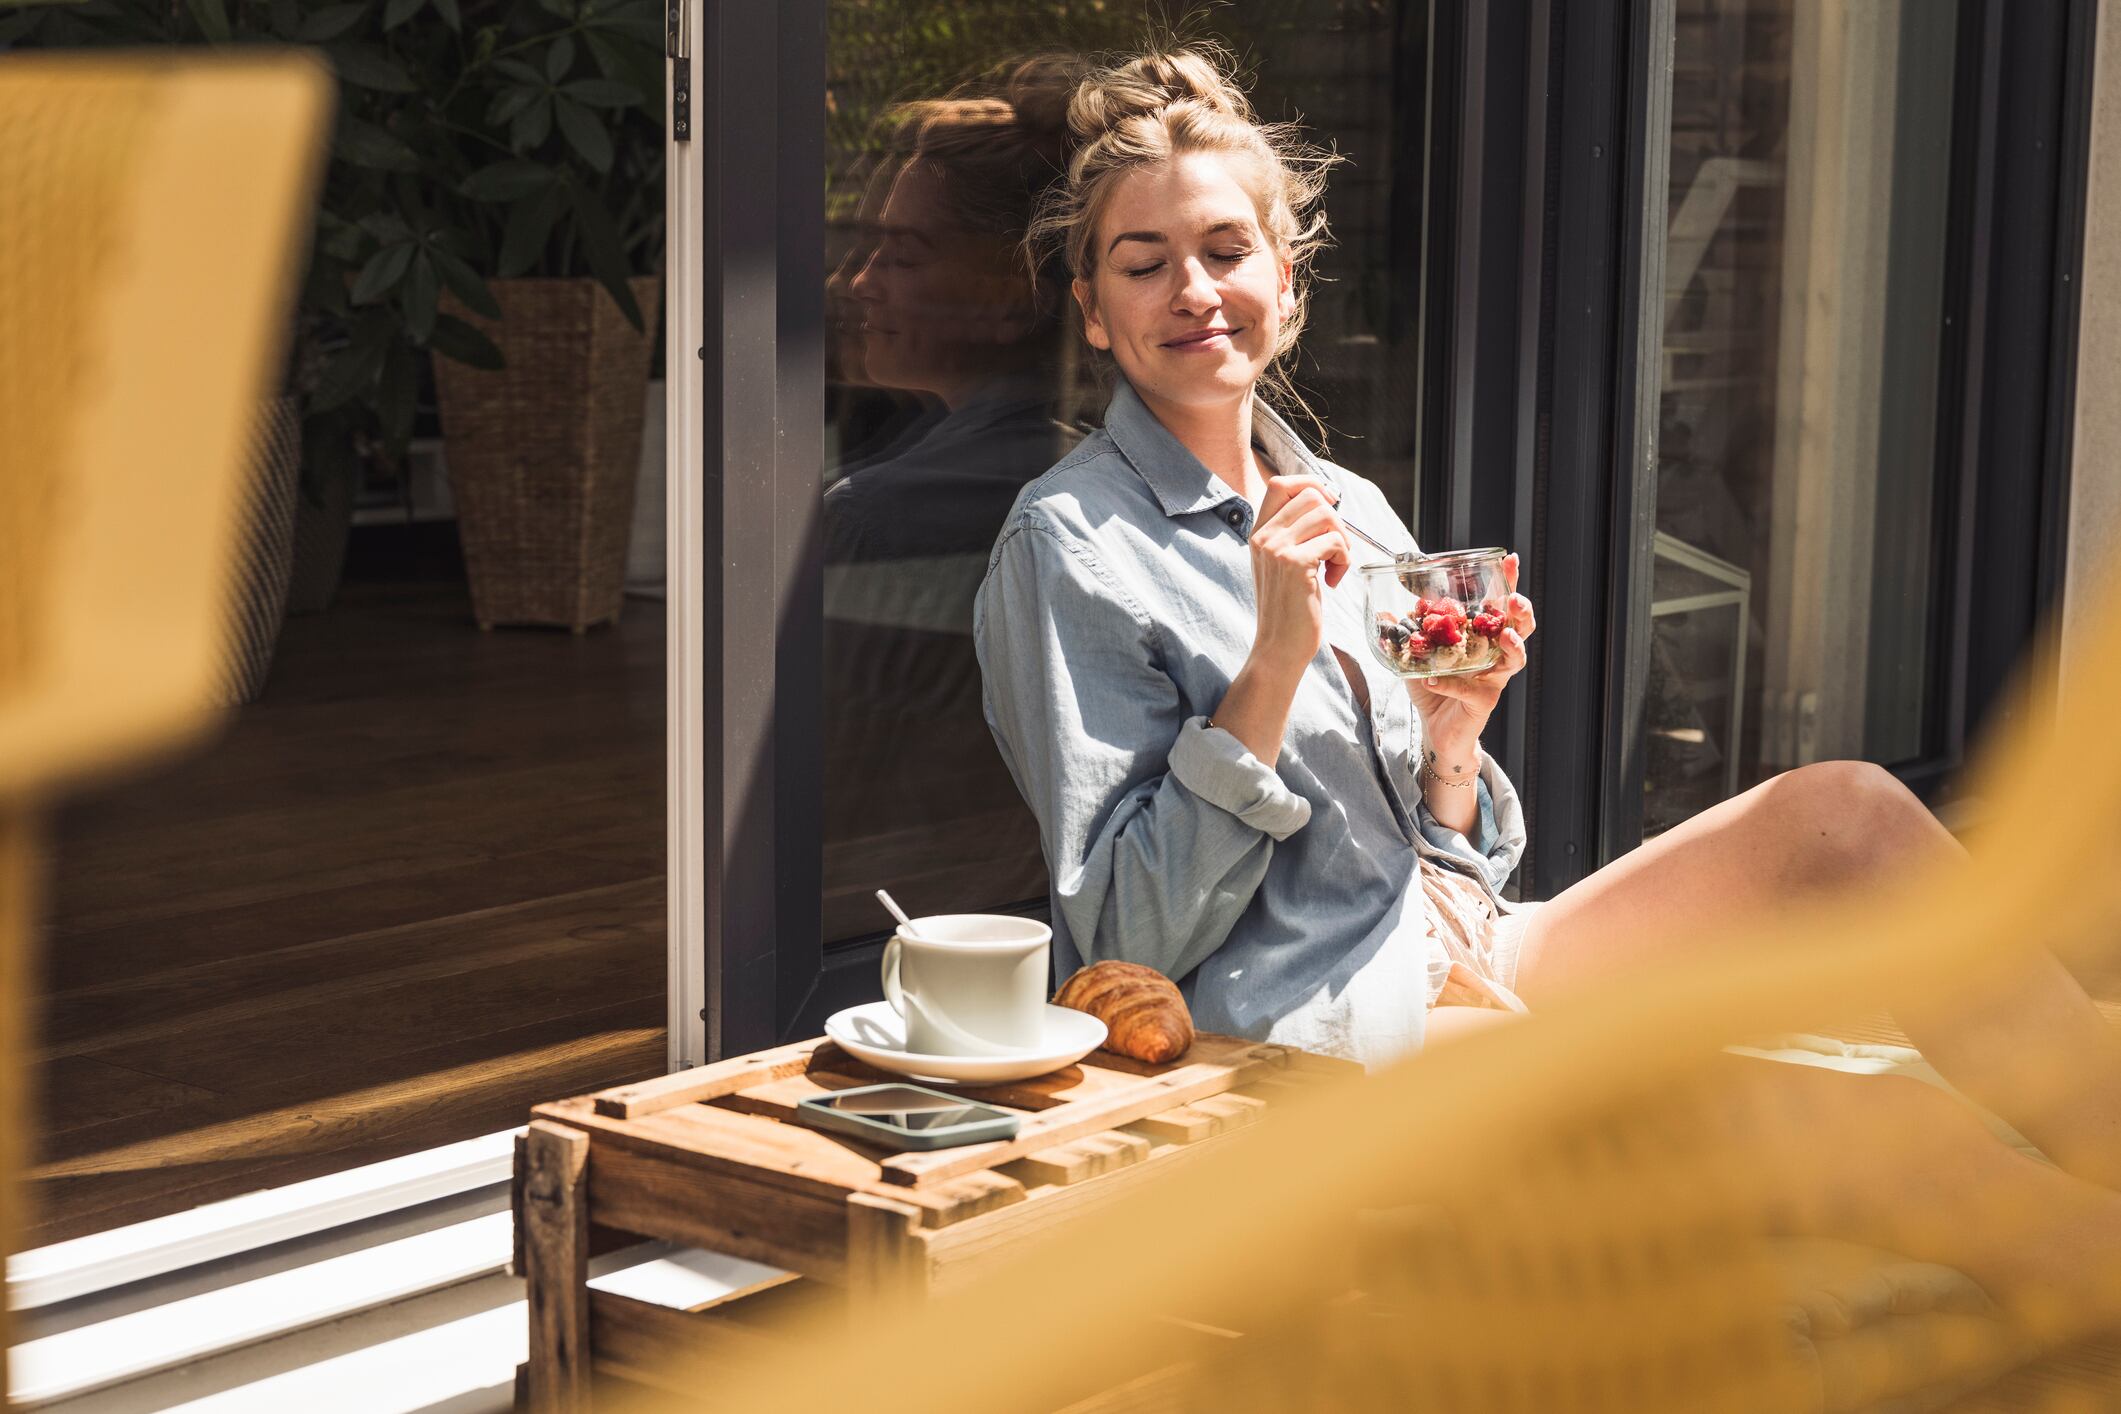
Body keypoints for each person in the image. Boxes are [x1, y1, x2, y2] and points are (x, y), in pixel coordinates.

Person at [973, 45, 2121, 1334]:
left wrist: (1450, 756)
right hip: (1288, 1039)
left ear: (1286, 283)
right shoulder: (1068, 544)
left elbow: (1424, 857)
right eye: (1144, 264)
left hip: (1449, 960)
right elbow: (1126, 940)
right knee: (1869, 1125)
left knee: (1846, 816)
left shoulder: (1341, 505)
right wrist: (1269, 668)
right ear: (1093, 307)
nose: (1195, 290)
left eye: (1228, 251)